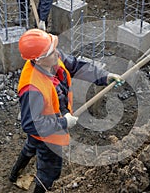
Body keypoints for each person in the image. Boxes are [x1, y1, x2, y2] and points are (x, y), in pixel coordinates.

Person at [9, 29, 124, 193]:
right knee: (49, 173)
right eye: (51, 52)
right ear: (38, 59)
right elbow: (30, 124)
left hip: (50, 121)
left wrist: (104, 76)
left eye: (54, 48)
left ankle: (14, 175)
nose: (57, 53)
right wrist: (64, 122)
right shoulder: (32, 88)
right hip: (48, 133)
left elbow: (76, 66)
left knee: (30, 145)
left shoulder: (51, 57)